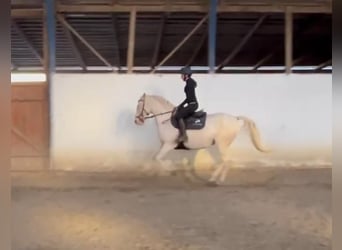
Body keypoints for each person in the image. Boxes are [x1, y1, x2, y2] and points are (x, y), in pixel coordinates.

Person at [173, 66, 199, 143]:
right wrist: (180, 106)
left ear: (186, 75)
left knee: (178, 116)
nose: (181, 77)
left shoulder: (189, 84)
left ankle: (184, 136)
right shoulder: (189, 82)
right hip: (191, 104)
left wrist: (180, 106)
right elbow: (188, 98)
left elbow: (189, 98)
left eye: (182, 75)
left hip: (192, 105)